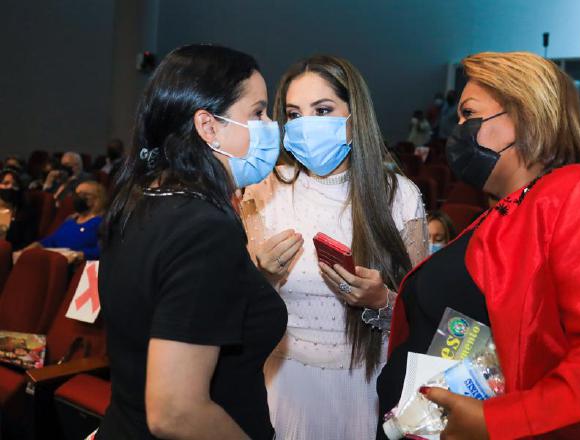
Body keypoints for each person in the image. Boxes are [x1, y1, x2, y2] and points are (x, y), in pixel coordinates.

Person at [378, 51, 580, 439]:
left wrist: (497, 423)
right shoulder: (500, 213)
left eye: (469, 114)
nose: (457, 129)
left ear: (524, 115)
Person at [97, 44, 286, 439]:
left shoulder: (140, 200)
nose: (271, 125)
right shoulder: (204, 226)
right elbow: (175, 412)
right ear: (208, 127)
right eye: (257, 112)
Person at [242, 54, 427, 440]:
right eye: (294, 114)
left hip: (364, 386)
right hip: (282, 384)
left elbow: (420, 318)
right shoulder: (265, 190)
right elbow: (233, 307)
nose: (307, 125)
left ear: (353, 115)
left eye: (322, 110)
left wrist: (381, 301)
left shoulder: (399, 197)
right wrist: (262, 278)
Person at [19, 181, 105, 262]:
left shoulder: (100, 223)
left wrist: (79, 255)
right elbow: (51, 240)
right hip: (54, 262)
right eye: (76, 194)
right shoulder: (70, 221)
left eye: (82, 194)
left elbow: (102, 250)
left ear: (96, 199)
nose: (77, 197)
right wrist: (33, 247)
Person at [0, 170, 35, 250]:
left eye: (15, 185)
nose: (10, 187)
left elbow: (26, 243)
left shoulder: (26, 213)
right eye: (6, 183)